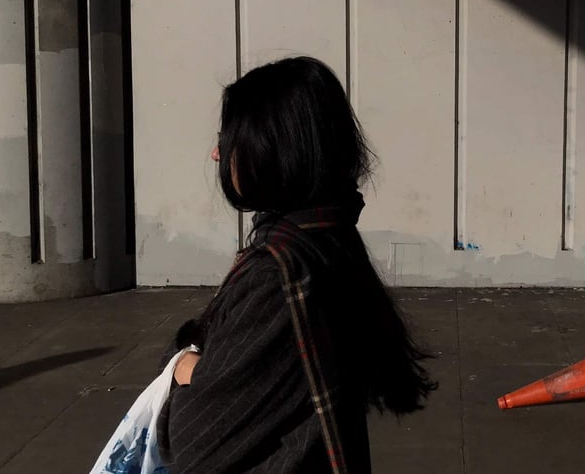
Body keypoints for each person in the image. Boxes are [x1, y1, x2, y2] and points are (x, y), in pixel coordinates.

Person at [156, 56, 436, 473]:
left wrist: (181, 365)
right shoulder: (327, 237)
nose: (218, 153)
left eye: (232, 137)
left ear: (274, 151)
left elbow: (198, 445)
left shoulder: (281, 275)